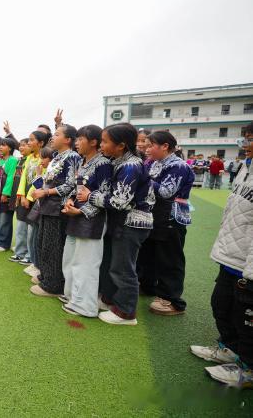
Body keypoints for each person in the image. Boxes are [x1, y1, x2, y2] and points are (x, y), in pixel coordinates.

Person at [190, 123, 253, 389]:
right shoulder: (246, 167)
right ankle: (229, 348)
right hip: (232, 255)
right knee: (221, 304)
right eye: (245, 138)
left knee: (245, 317)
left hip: (248, 262)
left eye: (250, 138)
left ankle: (248, 369)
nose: (245, 143)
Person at [77, 123, 154, 325]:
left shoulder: (130, 166)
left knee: (123, 268)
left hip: (131, 223)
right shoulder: (120, 162)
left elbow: (119, 202)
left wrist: (90, 195)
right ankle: (110, 300)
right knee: (113, 264)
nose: (101, 145)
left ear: (120, 145)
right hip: (121, 222)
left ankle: (126, 312)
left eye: (104, 142)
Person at [138, 131, 195, 316]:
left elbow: (165, 191)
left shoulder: (178, 166)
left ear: (165, 146)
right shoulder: (153, 163)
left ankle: (171, 300)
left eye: (150, 145)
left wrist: (144, 179)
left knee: (170, 258)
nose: (146, 149)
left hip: (171, 218)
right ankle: (149, 287)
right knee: (149, 253)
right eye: (145, 145)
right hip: (154, 215)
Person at [60, 125, 112, 317]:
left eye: (81, 139)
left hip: (93, 220)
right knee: (70, 259)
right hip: (76, 217)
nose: (77, 142)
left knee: (86, 264)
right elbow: (77, 190)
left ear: (93, 142)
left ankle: (86, 306)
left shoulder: (103, 164)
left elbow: (105, 196)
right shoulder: (83, 162)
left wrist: (81, 211)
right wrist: (70, 201)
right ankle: (73, 297)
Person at [30, 125, 81, 297]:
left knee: (53, 247)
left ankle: (54, 285)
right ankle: (45, 276)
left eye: (57, 134)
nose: (53, 137)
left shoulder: (73, 156)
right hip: (47, 206)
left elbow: (71, 185)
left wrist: (46, 192)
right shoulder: (56, 157)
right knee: (43, 244)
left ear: (68, 139)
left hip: (58, 208)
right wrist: (41, 188)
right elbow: (47, 181)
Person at [17, 131, 51, 274]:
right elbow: (24, 178)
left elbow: (40, 180)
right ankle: (30, 257)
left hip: (36, 199)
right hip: (27, 197)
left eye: (31, 140)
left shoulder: (45, 158)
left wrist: (29, 197)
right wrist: (21, 195)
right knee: (28, 230)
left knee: (34, 232)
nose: (28, 143)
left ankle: (33, 259)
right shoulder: (30, 157)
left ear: (41, 143)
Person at [10, 139, 31, 262]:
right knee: (21, 226)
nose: (21, 147)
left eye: (25, 145)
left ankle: (25, 253)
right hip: (18, 197)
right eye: (20, 145)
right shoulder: (20, 160)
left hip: (28, 197)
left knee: (26, 227)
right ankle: (20, 251)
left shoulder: (31, 160)